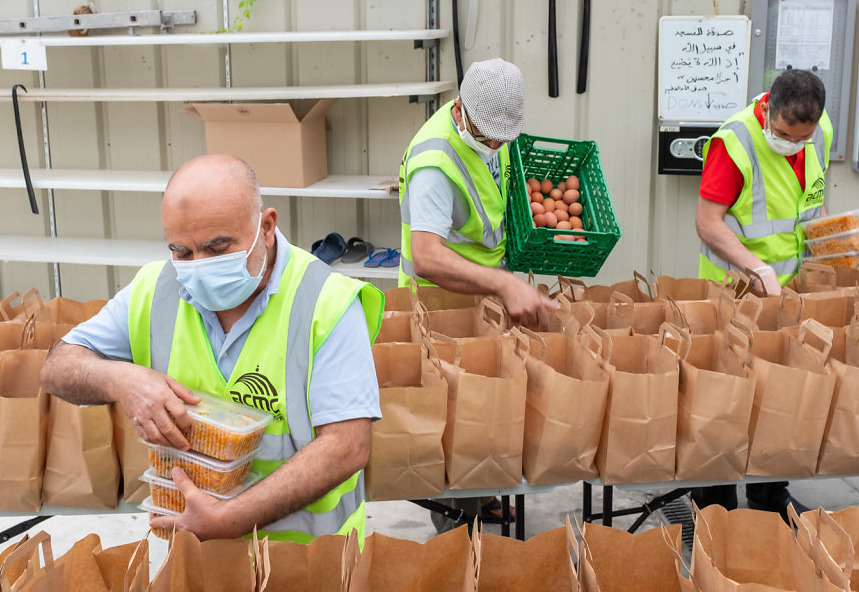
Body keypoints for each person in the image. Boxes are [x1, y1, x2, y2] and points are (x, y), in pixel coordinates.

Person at [41, 154, 383, 546]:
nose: (198, 267)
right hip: (198, 562)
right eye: (181, 252)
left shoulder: (325, 300)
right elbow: (57, 366)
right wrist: (122, 379)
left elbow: (347, 446)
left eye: (217, 248)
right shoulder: (156, 290)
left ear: (266, 227)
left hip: (310, 563)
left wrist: (229, 519)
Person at [398, 58, 557, 532]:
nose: (494, 145)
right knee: (451, 417)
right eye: (487, 135)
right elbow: (426, 256)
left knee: (485, 408)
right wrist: (505, 284)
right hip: (442, 304)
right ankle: (455, 529)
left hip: (484, 296)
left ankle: (481, 495)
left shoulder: (494, 135)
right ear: (460, 109)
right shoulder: (434, 160)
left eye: (501, 138)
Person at [693, 68, 832, 520]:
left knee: (780, 395)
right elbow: (708, 222)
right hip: (733, 289)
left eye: (801, 138)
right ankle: (715, 503)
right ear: (768, 107)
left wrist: (833, 240)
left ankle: (770, 494)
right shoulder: (735, 142)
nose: (792, 143)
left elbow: (812, 198)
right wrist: (755, 268)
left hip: (786, 292)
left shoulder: (819, 133)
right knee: (727, 397)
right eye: (784, 133)